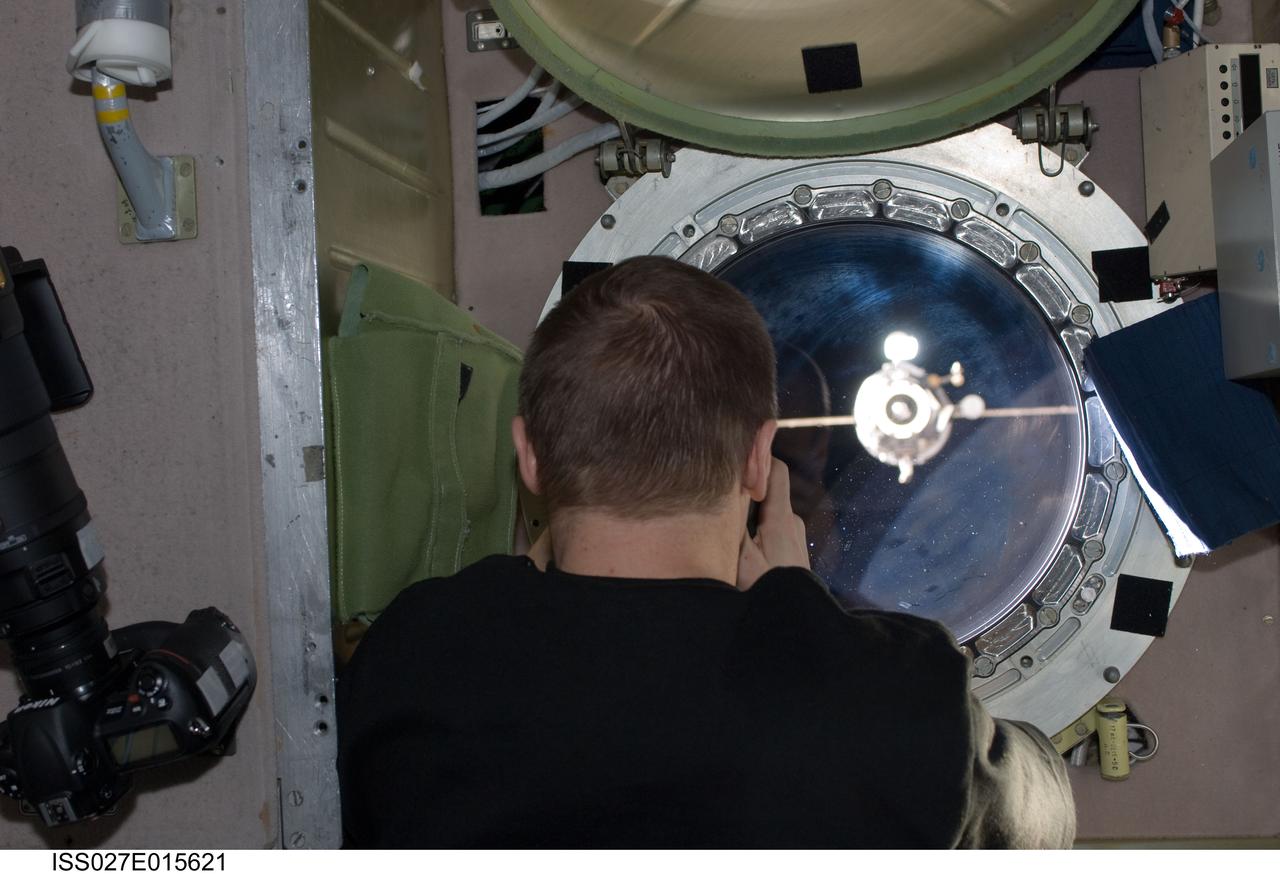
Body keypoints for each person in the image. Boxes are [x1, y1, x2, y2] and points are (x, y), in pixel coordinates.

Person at [336, 256, 1076, 848]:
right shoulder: (890, 703)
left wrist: (510, 582)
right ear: (760, 460)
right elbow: (1045, 818)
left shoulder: (413, 656)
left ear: (529, 457)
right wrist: (802, 608)